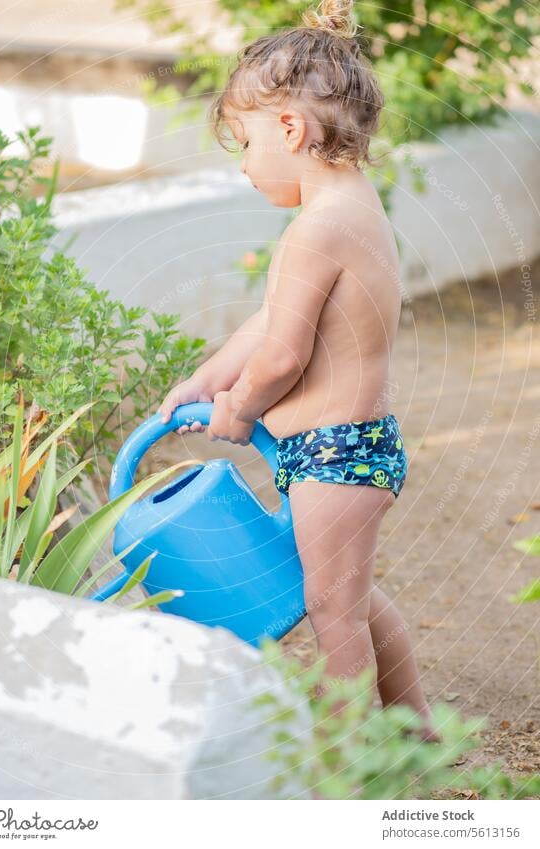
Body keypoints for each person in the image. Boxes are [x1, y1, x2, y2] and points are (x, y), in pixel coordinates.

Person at [158, 0, 436, 739]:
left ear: (291, 130)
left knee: (331, 610)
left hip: (336, 456)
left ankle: (349, 761)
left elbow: (282, 353)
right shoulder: (347, 207)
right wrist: (208, 377)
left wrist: (240, 407)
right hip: (339, 449)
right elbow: (268, 323)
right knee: (357, 598)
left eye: (245, 144)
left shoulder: (319, 227)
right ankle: (417, 731)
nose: (245, 166)